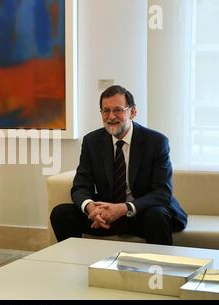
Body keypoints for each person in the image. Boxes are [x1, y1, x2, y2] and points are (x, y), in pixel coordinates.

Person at [50, 85, 187, 245]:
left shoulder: (155, 142)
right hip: (106, 215)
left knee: (157, 216)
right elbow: (80, 186)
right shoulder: (92, 141)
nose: (111, 117)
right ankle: (75, 265)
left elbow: (162, 193)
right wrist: (91, 208)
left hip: (140, 213)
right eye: (106, 111)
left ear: (133, 112)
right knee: (61, 213)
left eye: (118, 110)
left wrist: (123, 208)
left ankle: (160, 269)